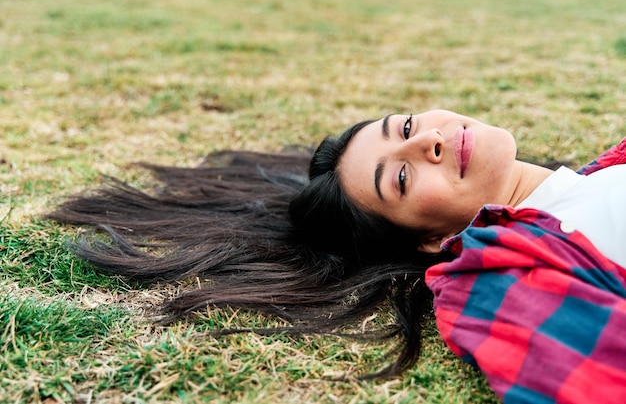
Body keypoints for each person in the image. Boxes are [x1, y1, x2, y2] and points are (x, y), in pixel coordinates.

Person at [49, 109, 626, 403]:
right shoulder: (503, 270)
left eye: (403, 125)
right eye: (401, 176)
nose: (427, 141)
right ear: (428, 241)